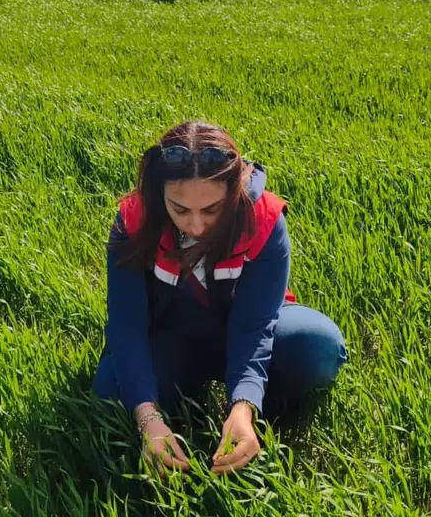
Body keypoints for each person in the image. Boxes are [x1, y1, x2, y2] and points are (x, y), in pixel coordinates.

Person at [94, 121, 347, 474]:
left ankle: (249, 403)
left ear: (233, 191)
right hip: (172, 337)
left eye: (211, 210)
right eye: (180, 209)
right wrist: (148, 419)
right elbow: (127, 326)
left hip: (247, 329)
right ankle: (183, 390)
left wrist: (244, 406)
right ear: (159, 191)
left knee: (318, 349)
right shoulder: (133, 220)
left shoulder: (263, 219)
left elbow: (256, 326)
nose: (196, 226)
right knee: (111, 392)